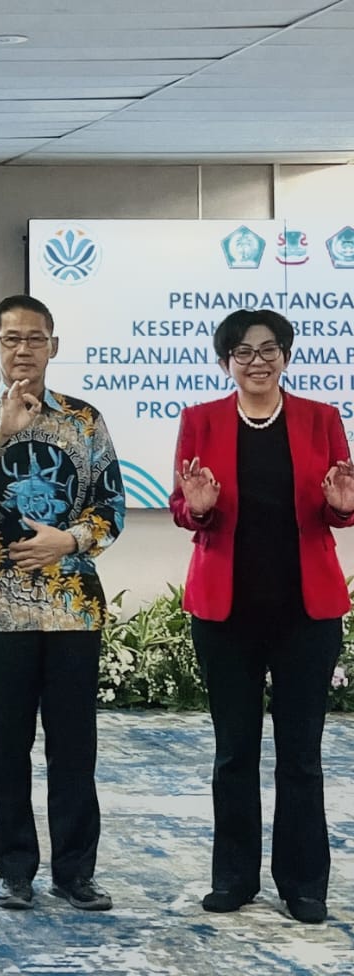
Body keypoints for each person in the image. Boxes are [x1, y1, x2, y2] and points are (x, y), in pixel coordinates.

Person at [0, 294, 124, 912]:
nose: (23, 349)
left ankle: (76, 872)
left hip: (72, 607)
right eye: (11, 339)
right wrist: (0, 435)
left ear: (53, 346)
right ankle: (14, 869)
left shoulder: (85, 420)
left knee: (75, 746)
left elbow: (111, 507)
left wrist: (67, 541)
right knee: (6, 745)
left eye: (35, 338)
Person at [170, 309, 354, 925]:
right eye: (243, 352)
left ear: (286, 356)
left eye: (269, 349)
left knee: (301, 754)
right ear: (226, 360)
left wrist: (342, 506)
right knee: (234, 751)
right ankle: (234, 878)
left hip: (306, 613)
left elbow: (340, 504)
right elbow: (183, 507)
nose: (257, 361)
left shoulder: (321, 418)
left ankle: (304, 883)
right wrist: (198, 508)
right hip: (226, 613)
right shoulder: (200, 420)